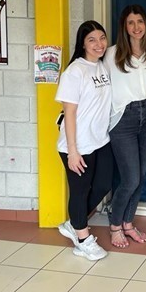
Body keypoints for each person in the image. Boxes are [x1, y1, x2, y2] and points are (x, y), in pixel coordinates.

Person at [103, 5, 146, 248]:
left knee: (141, 177)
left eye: (140, 21)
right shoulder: (110, 54)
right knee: (130, 179)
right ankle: (115, 226)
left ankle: (128, 223)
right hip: (123, 120)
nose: (136, 27)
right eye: (130, 22)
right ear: (124, 27)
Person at [56, 20, 112, 261]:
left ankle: (74, 222)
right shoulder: (74, 72)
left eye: (102, 38)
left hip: (100, 140)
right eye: (92, 39)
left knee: (103, 184)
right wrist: (73, 151)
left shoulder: (101, 66)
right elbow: (69, 113)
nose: (99, 44)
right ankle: (82, 238)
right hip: (78, 145)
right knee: (79, 192)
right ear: (82, 44)